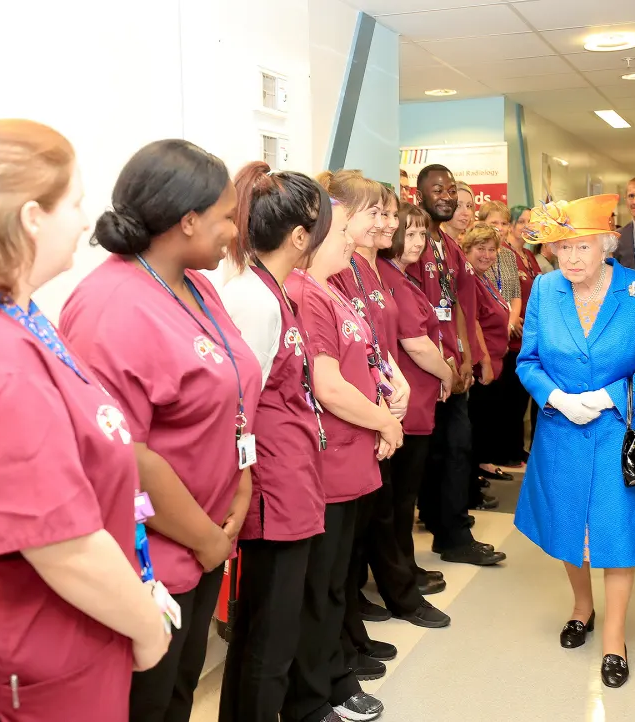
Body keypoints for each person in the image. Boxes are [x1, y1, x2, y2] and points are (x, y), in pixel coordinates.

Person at [0, 119, 169, 720]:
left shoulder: (0, 313)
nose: (84, 220)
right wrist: (147, 629)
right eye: (73, 203)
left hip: (39, 644)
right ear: (30, 218)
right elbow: (61, 546)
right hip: (16, 669)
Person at [59, 139, 261, 722]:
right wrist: (205, 537)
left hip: (208, 537)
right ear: (189, 219)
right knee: (147, 703)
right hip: (156, 557)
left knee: (178, 695)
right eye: (227, 214)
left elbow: (230, 389)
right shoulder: (112, 305)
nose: (235, 229)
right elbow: (129, 455)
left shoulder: (196, 284)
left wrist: (241, 487)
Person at [515, 194, 635, 689]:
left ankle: (615, 637)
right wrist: (556, 397)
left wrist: (608, 396)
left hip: (617, 431)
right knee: (569, 529)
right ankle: (582, 608)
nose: (571, 259)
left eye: (582, 247)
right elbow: (528, 360)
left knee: (615, 533)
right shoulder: (543, 289)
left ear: (607, 245)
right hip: (561, 430)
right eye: (562, 248)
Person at [211, 162, 331, 722]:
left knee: (270, 628)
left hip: (289, 481)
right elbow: (238, 408)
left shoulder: (271, 292)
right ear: (300, 236)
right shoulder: (253, 299)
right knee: (269, 636)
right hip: (271, 490)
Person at [282, 173, 402, 722]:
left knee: (336, 583)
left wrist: (386, 399)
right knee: (321, 588)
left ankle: (334, 675)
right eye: (342, 234)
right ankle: (318, 688)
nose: (353, 242)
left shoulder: (332, 289)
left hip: (352, 455)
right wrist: (385, 420)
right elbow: (327, 386)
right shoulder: (306, 294)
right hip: (329, 460)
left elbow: (366, 357)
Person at [324, 174, 450, 686]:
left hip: (382, 409)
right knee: (359, 532)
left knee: (377, 518)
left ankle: (354, 626)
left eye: (390, 214)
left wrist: (390, 390)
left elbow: (379, 343)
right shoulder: (335, 271)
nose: (389, 223)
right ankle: (352, 629)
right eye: (377, 213)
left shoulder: (370, 271)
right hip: (355, 418)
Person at [409, 164, 505, 566]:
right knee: (436, 456)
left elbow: (459, 309)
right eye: (438, 189)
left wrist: (467, 356)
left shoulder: (448, 245)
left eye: (452, 188)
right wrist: (447, 363)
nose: (447, 195)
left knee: (455, 450)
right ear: (419, 196)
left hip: (452, 366)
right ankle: (447, 532)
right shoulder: (411, 245)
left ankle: (452, 533)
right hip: (425, 370)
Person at [378, 202, 454, 595]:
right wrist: (449, 373)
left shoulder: (403, 279)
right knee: (400, 498)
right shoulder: (391, 279)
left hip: (417, 403)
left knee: (404, 496)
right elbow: (417, 345)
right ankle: (401, 574)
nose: (418, 240)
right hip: (405, 406)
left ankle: (406, 568)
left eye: (422, 233)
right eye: (408, 232)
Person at [461, 222, 512, 508]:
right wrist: (485, 363)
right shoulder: (470, 279)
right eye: (481, 249)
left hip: (494, 363)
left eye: (492, 250)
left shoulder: (484, 278)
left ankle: (474, 485)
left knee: (481, 432)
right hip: (483, 368)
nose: (487, 255)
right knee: (473, 434)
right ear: (466, 249)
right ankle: (469, 494)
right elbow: (474, 323)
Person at [500, 204, 540, 466]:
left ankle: (516, 447)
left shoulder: (528, 255)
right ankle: (507, 450)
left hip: (531, 339)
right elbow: (502, 292)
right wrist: (511, 320)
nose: (526, 226)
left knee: (522, 401)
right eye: (522, 221)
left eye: (530, 222)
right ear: (511, 224)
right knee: (510, 404)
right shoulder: (504, 255)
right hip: (512, 340)